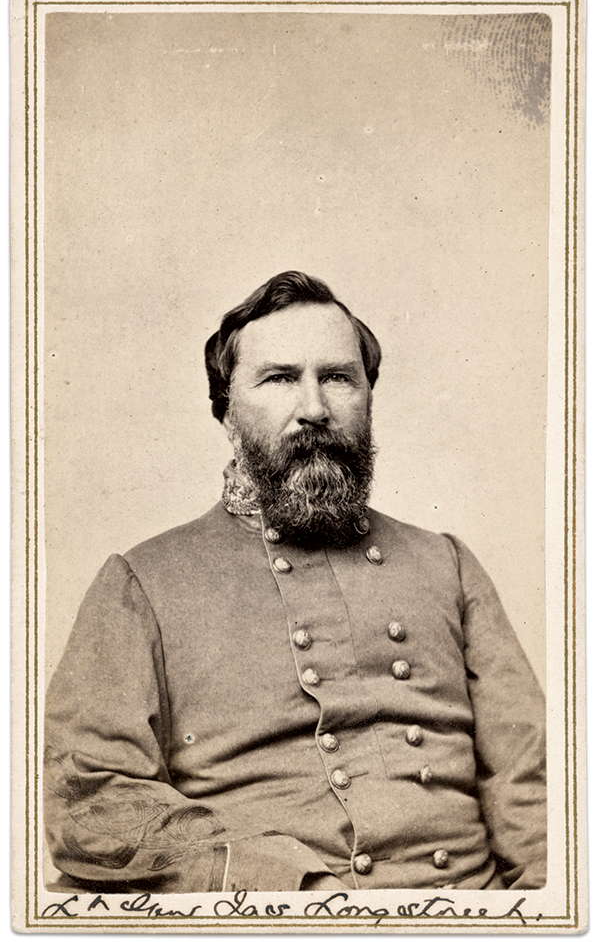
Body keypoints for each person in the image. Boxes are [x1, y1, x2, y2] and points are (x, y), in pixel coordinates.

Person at [44, 270, 546, 894]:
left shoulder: (446, 562)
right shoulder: (141, 583)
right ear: (226, 411)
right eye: (281, 379)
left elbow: (536, 787)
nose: (314, 408)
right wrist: (288, 887)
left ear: (367, 398)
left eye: (337, 378)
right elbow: (92, 801)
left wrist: (545, 915)